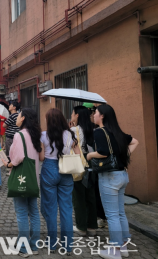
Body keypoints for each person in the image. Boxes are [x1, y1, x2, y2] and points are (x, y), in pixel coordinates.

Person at [86, 104, 139, 259]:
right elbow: (135, 141)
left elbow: (103, 153)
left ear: (102, 115)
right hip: (122, 175)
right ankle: (123, 247)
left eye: (95, 112)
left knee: (112, 215)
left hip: (109, 177)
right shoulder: (117, 131)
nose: (93, 115)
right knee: (120, 213)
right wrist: (123, 157)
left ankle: (115, 250)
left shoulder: (99, 132)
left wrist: (89, 156)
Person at [40, 108, 80, 254]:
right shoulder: (71, 134)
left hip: (49, 169)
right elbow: (77, 154)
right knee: (66, 209)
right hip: (66, 169)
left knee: (50, 209)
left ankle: (52, 244)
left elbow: (41, 158)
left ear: (49, 121)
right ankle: (68, 246)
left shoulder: (43, 135)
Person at [3, 108, 42, 257]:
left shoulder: (19, 135)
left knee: (21, 213)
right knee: (33, 212)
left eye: (18, 116)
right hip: (33, 178)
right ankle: (34, 244)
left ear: (24, 118)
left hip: (22, 178)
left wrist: (8, 164)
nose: (17, 119)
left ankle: (24, 248)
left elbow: (18, 158)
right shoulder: (35, 135)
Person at [70, 106, 98, 237]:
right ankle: (92, 227)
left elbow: (67, 145)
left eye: (73, 113)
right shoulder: (93, 130)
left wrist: (70, 128)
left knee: (79, 196)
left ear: (77, 115)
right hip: (92, 164)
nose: (71, 115)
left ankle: (81, 227)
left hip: (79, 165)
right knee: (90, 196)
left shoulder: (73, 130)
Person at [3, 101, 21, 173]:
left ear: (14, 107)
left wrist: (7, 125)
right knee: (14, 152)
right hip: (16, 136)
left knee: (9, 152)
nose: (9, 106)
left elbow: (4, 125)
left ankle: (10, 167)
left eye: (11, 105)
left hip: (10, 136)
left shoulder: (12, 115)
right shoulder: (18, 115)